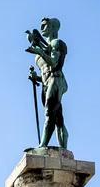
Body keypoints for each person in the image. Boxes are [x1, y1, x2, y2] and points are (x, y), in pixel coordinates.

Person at [26, 17, 69, 149]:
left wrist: (40, 52)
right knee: (58, 118)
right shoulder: (43, 49)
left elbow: (54, 63)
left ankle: (42, 145)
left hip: (57, 80)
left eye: (45, 25)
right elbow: (45, 75)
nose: (42, 28)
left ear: (53, 28)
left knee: (49, 113)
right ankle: (63, 149)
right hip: (47, 83)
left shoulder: (56, 43)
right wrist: (36, 77)